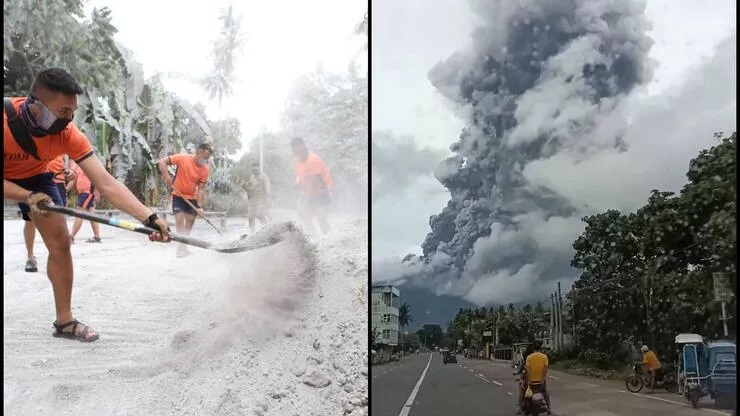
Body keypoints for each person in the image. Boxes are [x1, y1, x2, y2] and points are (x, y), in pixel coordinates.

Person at [4, 67, 170, 342]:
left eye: (72, 112)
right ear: (35, 105)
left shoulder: (69, 134)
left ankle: (65, 322)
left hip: (38, 176)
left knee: (61, 243)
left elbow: (105, 183)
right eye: (63, 112)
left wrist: (149, 217)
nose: (68, 119)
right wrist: (25, 196)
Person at [157, 142, 212, 257]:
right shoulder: (183, 158)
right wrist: (167, 178)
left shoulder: (205, 169)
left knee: (189, 225)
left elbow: (201, 189)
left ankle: (183, 247)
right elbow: (162, 162)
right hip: (178, 195)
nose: (205, 161)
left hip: (192, 198)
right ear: (198, 152)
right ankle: (181, 248)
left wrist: (200, 206)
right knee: (180, 220)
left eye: (207, 159)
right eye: (204, 158)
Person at [291, 137, 333, 235]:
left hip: (322, 192)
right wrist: (297, 182)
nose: (300, 153)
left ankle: (328, 235)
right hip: (308, 192)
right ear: (294, 151)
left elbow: (314, 181)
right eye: (297, 152)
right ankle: (312, 236)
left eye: (301, 150)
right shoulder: (297, 161)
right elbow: (301, 174)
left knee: (320, 216)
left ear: (305, 147)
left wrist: (308, 199)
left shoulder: (313, 159)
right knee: (304, 214)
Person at [68, 159, 102, 243]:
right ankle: (97, 237)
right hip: (83, 193)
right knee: (91, 215)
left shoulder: (89, 164)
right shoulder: (78, 166)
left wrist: (97, 193)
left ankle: (71, 237)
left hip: (88, 193)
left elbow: (96, 178)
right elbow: (73, 181)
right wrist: (65, 189)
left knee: (79, 214)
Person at [239, 161, 271, 232]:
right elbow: (249, 189)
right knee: (250, 216)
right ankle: (252, 231)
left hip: (260, 199)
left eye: (256, 170)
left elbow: (267, 189)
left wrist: (267, 199)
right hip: (252, 200)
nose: (254, 171)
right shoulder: (251, 177)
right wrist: (245, 186)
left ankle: (266, 227)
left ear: (259, 168)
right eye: (253, 170)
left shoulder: (264, 177)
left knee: (259, 214)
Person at [522, 342, 551, 415]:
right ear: (540, 348)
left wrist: (529, 381)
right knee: (545, 393)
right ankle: (549, 408)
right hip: (541, 381)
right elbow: (545, 369)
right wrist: (542, 379)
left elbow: (528, 371)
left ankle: (525, 407)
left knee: (525, 392)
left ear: (533, 349)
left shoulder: (529, 357)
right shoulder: (544, 357)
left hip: (531, 381)